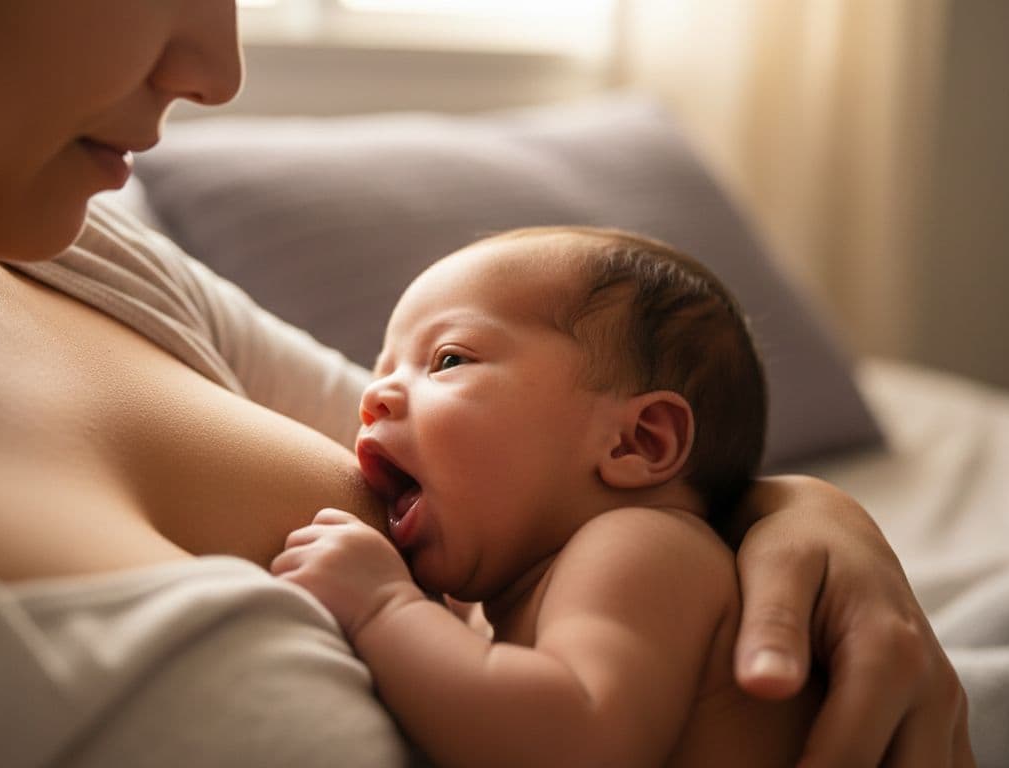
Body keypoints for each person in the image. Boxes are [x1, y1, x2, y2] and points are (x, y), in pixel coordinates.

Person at [0, 1, 971, 766]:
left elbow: (579, 691)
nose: (217, 68)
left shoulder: (85, 260)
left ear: (645, 442)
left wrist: (795, 512)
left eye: (444, 360)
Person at [273, 226, 822, 766]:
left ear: (636, 442)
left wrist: (384, 607)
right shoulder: (505, 594)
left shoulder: (644, 547)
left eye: (448, 360)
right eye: (382, 370)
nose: (374, 396)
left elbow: (579, 741)